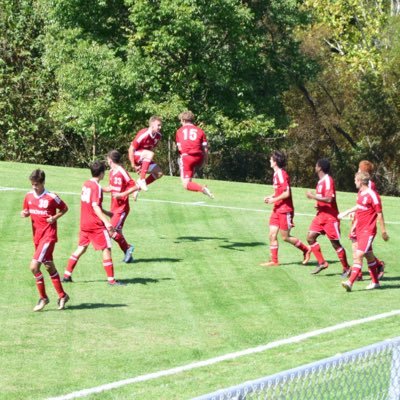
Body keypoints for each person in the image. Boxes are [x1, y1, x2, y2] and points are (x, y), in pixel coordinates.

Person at [62, 161, 123, 285]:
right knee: (106, 248)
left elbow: (91, 204)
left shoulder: (86, 184)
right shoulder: (96, 187)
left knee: (81, 248)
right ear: (101, 173)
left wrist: (107, 213)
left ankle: (66, 275)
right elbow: (95, 206)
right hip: (95, 224)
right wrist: (107, 222)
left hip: (84, 223)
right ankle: (111, 280)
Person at [21, 169, 70, 311]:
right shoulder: (29, 196)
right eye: (32, 184)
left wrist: (54, 217)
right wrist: (24, 213)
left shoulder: (51, 197)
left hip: (48, 236)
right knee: (49, 266)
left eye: (36, 184)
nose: (34, 187)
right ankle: (62, 295)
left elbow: (64, 208)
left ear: (43, 183)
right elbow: (26, 211)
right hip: (37, 237)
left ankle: (43, 298)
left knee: (34, 267)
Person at [339, 171, 389, 292]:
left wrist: (383, 231)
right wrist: (347, 212)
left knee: (359, 255)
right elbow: (359, 207)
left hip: (368, 230)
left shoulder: (373, 195)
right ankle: (375, 282)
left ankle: (350, 282)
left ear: (360, 181)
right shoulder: (361, 194)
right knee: (369, 256)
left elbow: (379, 213)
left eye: (355, 180)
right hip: (360, 229)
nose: (354, 182)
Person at [260, 150, 311, 267]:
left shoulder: (281, 174)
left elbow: (286, 193)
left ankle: (306, 249)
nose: (269, 161)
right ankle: (274, 261)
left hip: (285, 209)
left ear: (275, 161)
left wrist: (273, 200)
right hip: (277, 208)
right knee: (272, 235)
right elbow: (278, 192)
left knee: (285, 237)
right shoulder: (276, 174)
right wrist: (271, 196)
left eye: (271, 159)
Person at [305, 159, 351, 275]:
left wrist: (313, 197)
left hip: (330, 217)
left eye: (316, 165)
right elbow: (322, 198)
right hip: (321, 215)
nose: (315, 167)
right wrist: (317, 204)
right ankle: (322, 263)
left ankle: (346, 268)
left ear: (320, 167)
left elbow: (329, 199)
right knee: (310, 238)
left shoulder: (328, 180)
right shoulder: (320, 182)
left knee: (335, 244)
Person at [349, 160, 385, 280]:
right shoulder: (361, 186)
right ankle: (377, 266)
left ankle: (358, 273)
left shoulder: (370, 186)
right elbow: (360, 203)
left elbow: (374, 208)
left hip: (365, 224)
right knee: (364, 249)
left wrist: (383, 230)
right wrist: (353, 213)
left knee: (357, 246)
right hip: (359, 219)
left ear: (364, 172)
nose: (357, 171)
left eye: (359, 169)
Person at [103, 150, 138, 263]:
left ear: (110, 160)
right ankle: (128, 255)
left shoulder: (122, 171)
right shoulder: (112, 172)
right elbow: (110, 188)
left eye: (108, 159)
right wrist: (98, 188)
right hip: (114, 207)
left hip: (121, 208)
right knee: (118, 232)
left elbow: (135, 186)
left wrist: (122, 194)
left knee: (110, 231)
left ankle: (128, 248)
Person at [175, 110, 214, 198]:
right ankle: (201, 188)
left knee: (186, 184)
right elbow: (205, 149)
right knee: (188, 180)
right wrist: (204, 161)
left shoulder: (179, 131)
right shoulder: (200, 131)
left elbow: (180, 148)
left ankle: (202, 189)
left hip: (187, 157)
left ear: (183, 120)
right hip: (199, 157)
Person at [128, 115, 163, 198]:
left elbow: (149, 149)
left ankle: (138, 187)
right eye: (158, 125)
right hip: (136, 155)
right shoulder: (143, 134)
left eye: (161, 125)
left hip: (144, 157)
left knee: (159, 173)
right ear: (152, 125)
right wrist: (133, 164)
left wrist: (143, 165)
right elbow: (131, 149)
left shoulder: (158, 136)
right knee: (150, 154)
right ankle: (142, 179)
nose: (160, 127)